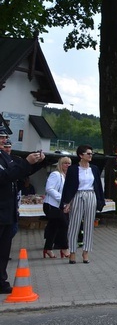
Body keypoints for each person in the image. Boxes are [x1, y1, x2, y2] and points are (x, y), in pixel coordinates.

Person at [0, 126, 46, 294]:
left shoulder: (5, 156)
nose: (5, 141)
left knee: (4, 251)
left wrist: (36, 163)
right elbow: (6, 176)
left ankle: (1, 282)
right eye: (1, 138)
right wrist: (26, 163)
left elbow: (19, 171)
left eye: (5, 138)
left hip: (8, 212)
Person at [61, 145, 105, 264]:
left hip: (91, 195)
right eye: (88, 154)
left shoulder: (94, 169)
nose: (91, 156)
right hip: (78, 195)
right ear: (81, 155)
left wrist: (100, 200)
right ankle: (73, 253)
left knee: (89, 225)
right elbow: (68, 187)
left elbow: (98, 186)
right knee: (74, 225)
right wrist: (67, 203)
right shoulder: (73, 169)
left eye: (91, 154)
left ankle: (86, 252)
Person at [42, 157, 72, 259]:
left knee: (53, 227)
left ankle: (48, 248)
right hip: (51, 205)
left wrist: (67, 203)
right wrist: (62, 199)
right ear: (60, 164)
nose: (67, 165)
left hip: (60, 206)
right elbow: (49, 188)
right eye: (65, 163)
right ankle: (64, 247)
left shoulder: (67, 176)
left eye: (69, 164)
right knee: (64, 224)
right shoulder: (55, 174)